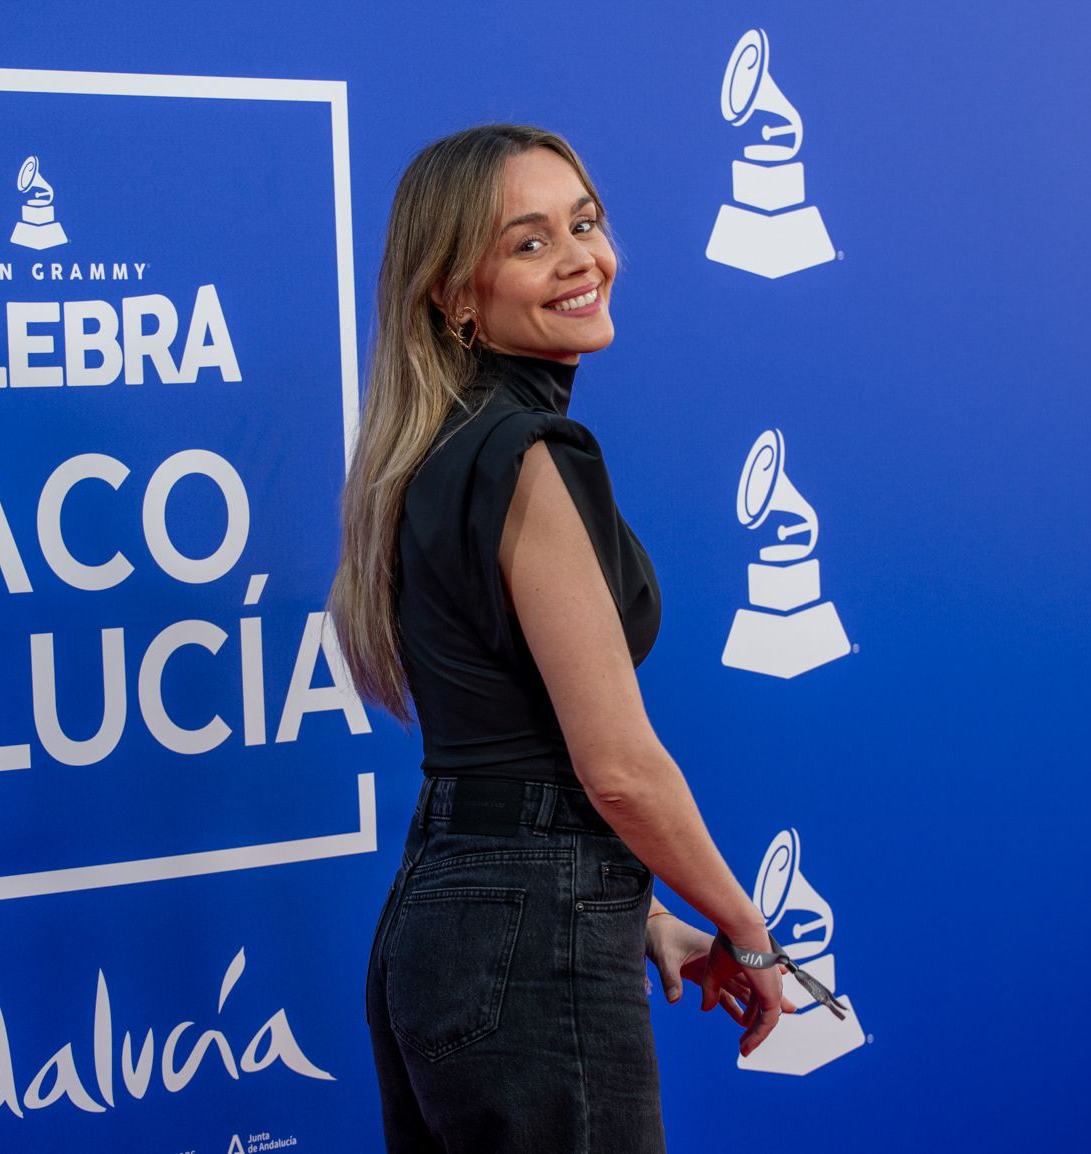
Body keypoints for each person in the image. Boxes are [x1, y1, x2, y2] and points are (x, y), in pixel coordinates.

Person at [329, 124, 795, 1154]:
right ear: (454, 295)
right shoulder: (530, 453)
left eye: (584, 223)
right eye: (530, 242)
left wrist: (641, 915)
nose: (583, 258)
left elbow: (505, 754)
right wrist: (747, 928)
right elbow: (618, 768)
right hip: (521, 940)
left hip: (445, 923)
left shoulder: (437, 448)